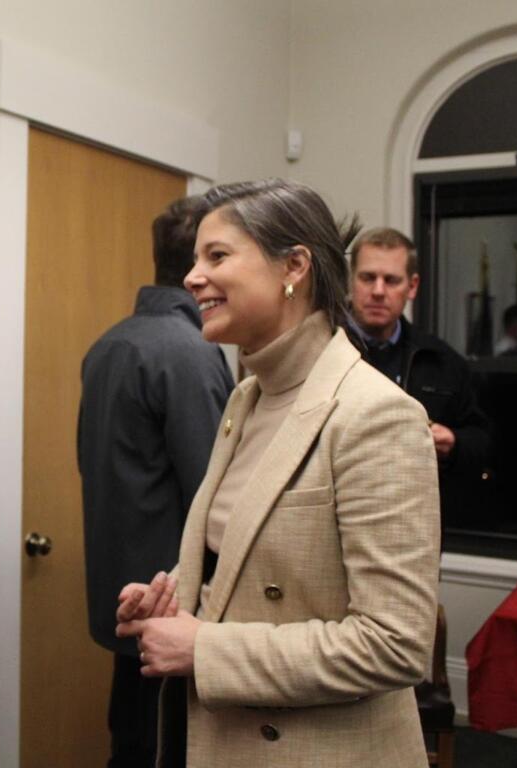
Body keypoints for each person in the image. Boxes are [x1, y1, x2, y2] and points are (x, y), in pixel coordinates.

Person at [116, 180, 440, 768]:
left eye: (217, 256)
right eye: (195, 259)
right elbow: (249, 555)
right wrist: (177, 595)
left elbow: (395, 645)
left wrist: (205, 649)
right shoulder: (246, 399)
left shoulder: (376, 414)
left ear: (294, 266)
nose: (192, 278)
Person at [78, 196, 234, 767]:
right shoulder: (190, 351)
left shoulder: (110, 342)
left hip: (129, 599)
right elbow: (216, 497)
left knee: (131, 742)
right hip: (174, 606)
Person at [346, 226, 491, 529]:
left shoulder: (442, 361)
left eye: (391, 280)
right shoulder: (318, 350)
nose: (378, 291)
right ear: (351, 281)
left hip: (412, 524)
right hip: (337, 517)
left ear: (412, 287)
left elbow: (482, 441)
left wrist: (454, 443)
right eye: (368, 277)